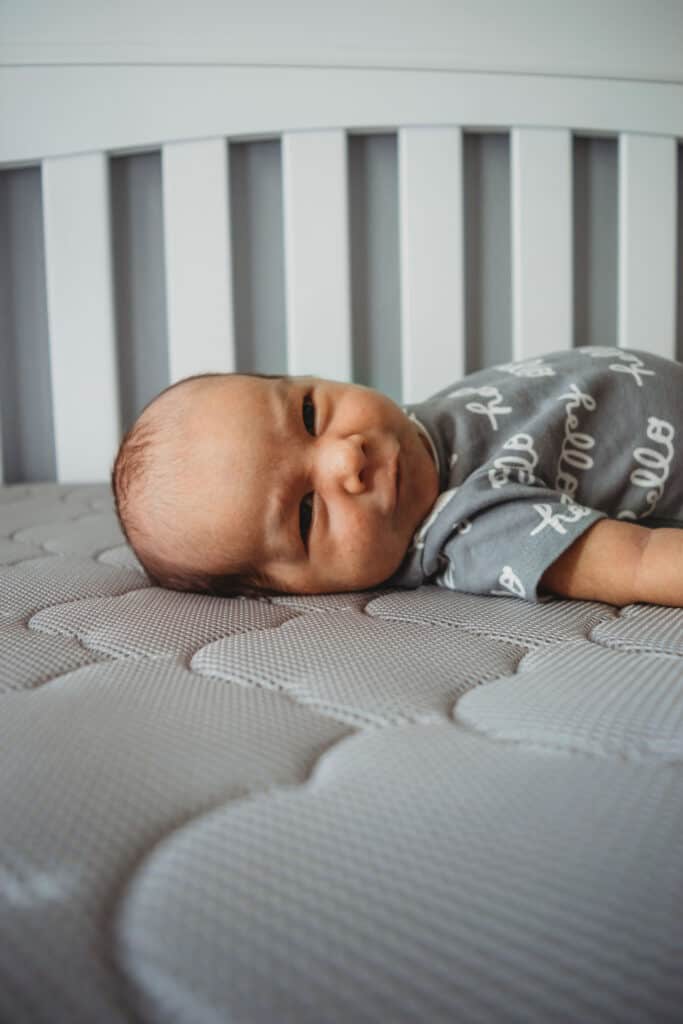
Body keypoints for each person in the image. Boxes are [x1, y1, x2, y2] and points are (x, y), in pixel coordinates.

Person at [111, 346, 683, 607]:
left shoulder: (415, 428)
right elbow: (637, 561)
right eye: (307, 513)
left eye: (310, 414)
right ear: (290, 589)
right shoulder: (469, 527)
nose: (345, 460)